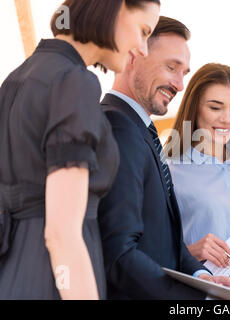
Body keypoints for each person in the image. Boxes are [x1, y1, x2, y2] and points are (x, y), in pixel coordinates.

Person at [0, 0, 160, 299]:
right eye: (143, 31)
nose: (143, 48)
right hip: (54, 281)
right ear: (115, 8)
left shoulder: (15, 80)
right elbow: (61, 234)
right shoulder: (74, 82)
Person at [98, 17, 230, 300]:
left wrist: (206, 280)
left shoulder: (140, 129)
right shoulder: (117, 126)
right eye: (171, 67)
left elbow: (162, 242)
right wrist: (197, 299)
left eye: (184, 72)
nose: (180, 85)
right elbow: (118, 251)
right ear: (133, 55)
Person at [166, 63, 230, 269]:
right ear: (194, 108)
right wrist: (190, 253)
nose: (227, 119)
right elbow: (149, 251)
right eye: (215, 107)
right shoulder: (169, 170)